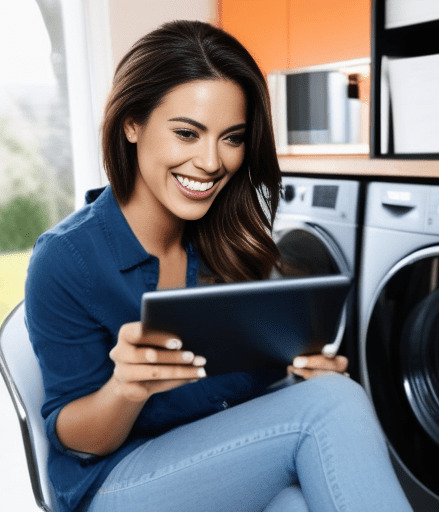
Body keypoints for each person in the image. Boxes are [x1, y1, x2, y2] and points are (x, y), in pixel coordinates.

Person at [25, 20, 413, 512]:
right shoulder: (67, 259)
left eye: (232, 138)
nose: (211, 162)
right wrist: (126, 389)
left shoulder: (227, 242)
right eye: (187, 133)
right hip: (113, 483)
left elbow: (243, 388)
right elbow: (75, 438)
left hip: (212, 461)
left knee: (296, 502)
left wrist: (299, 377)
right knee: (335, 404)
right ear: (132, 124)